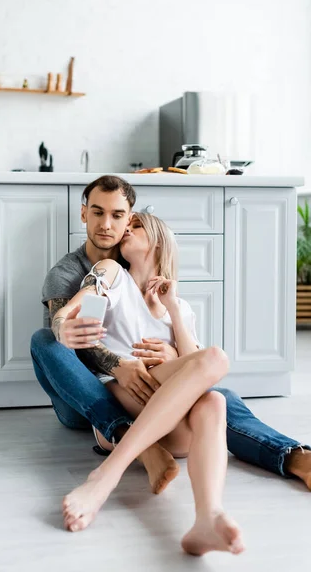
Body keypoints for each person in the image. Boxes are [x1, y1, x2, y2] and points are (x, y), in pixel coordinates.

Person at [30, 175, 311, 498]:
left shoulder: (142, 276)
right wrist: (111, 359)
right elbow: (69, 330)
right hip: (84, 394)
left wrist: (174, 355)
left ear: (130, 219)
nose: (107, 224)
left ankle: (292, 456)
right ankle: (127, 437)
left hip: (145, 387)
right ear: (84, 214)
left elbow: (187, 355)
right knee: (44, 341)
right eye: (97, 212)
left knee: (220, 397)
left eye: (119, 216)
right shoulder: (81, 273)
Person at [57, 211, 245, 554]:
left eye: (135, 225)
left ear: (158, 239)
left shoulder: (181, 308)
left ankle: (207, 517)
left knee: (214, 401)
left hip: (170, 428)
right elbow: (88, 309)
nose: (124, 229)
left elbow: (199, 375)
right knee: (215, 359)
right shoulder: (114, 275)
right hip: (123, 397)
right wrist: (71, 318)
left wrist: (172, 311)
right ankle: (108, 475)